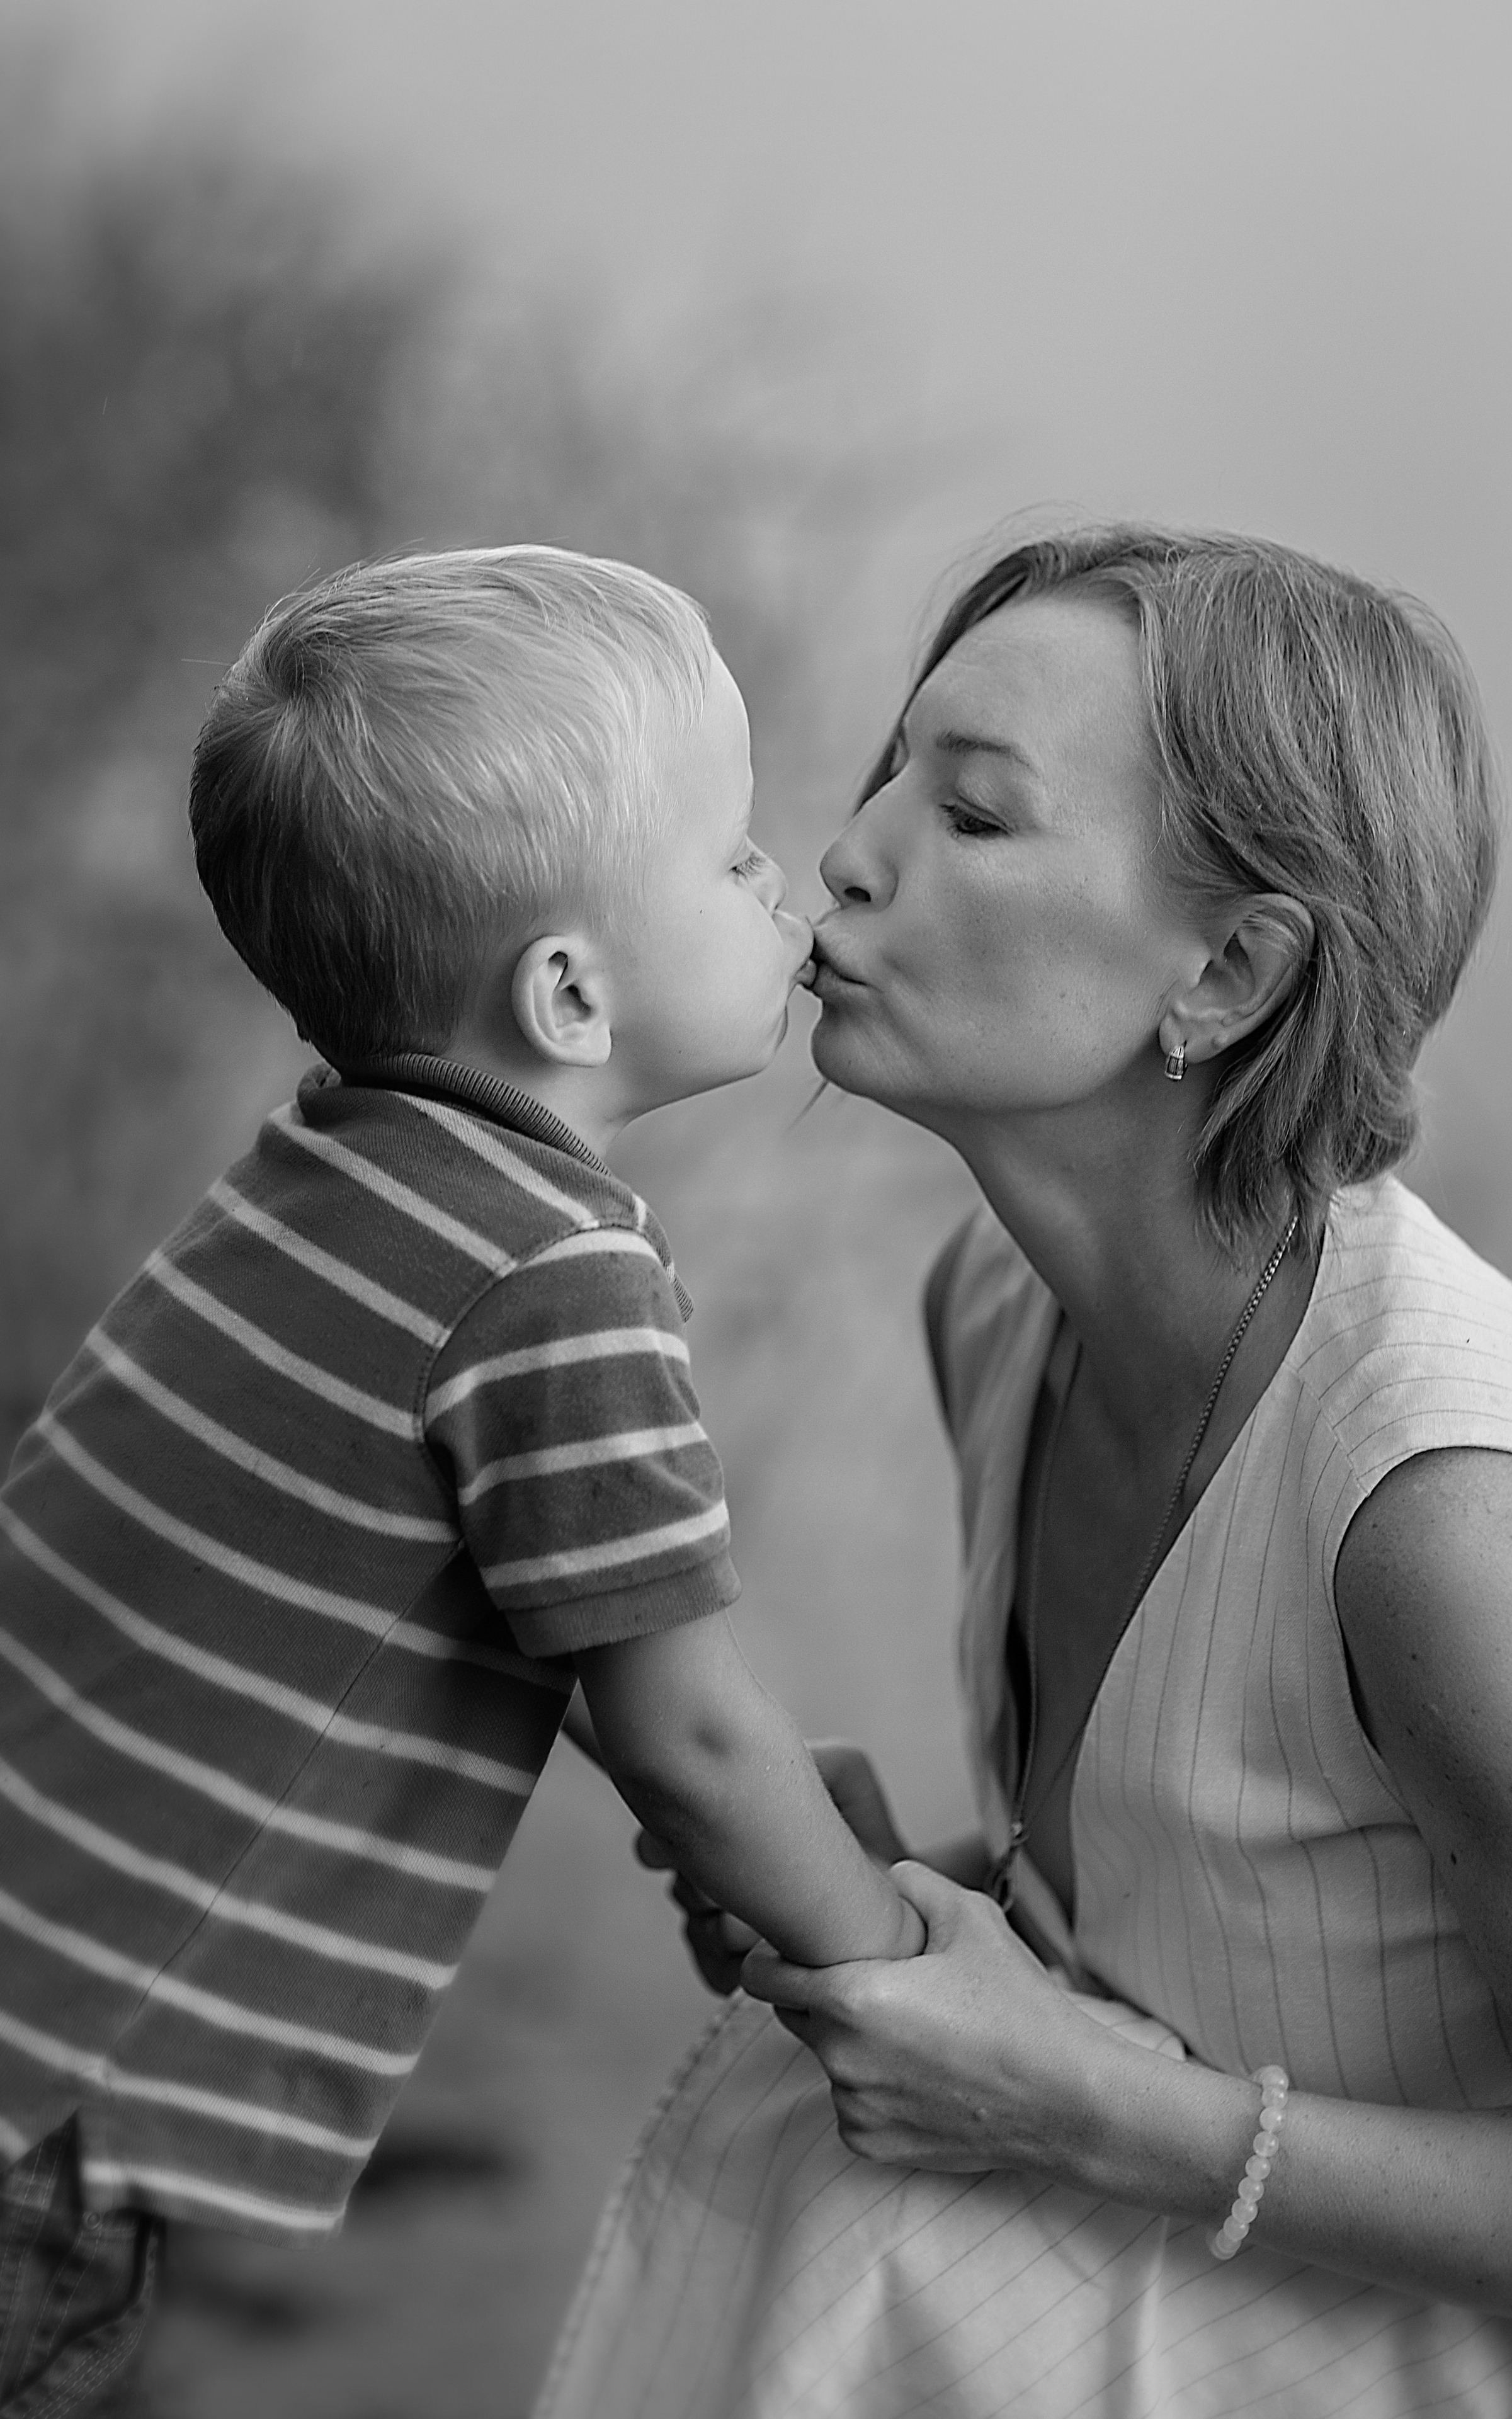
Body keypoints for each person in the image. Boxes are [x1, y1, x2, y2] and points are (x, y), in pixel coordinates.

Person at [537, 526, 1512, 2418]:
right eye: (892, 771)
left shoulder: (1449, 1523)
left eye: (975, 814)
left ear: (1231, 972)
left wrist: (1085, 2106)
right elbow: (1223, 1925)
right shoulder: (996, 1305)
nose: (847, 851)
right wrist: (903, 1898)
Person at [0, 545, 925, 2414]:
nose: (786, 878)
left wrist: (751, 1830)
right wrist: (884, 1957)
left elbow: (481, 1596)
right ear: (573, 994)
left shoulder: (335, 1172)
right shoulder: (558, 1280)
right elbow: (688, 1733)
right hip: (61, 2095)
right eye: (729, 858)